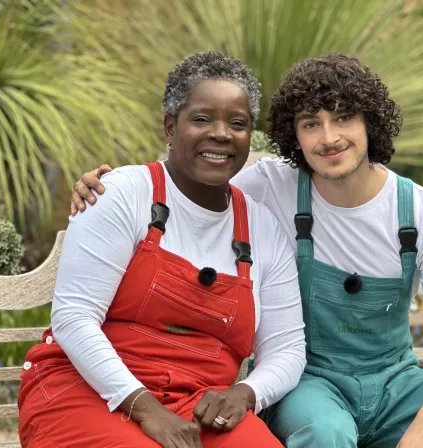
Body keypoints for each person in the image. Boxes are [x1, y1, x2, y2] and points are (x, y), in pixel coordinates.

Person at [70, 53, 423, 447]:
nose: (329, 138)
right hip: (311, 385)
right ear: (295, 136)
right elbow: (190, 174)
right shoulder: (271, 187)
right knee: (326, 434)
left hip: (396, 383)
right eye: (311, 124)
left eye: (343, 118)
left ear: (371, 121)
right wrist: (104, 187)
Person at [18, 52, 306, 448]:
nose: (221, 134)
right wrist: (146, 408)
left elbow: (287, 348)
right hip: (86, 390)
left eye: (237, 124)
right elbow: (74, 317)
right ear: (170, 126)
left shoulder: (262, 228)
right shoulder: (123, 193)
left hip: (200, 404)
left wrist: (245, 394)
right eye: (202, 119)